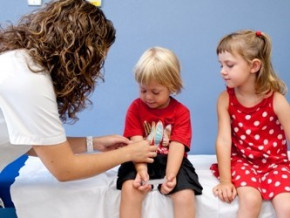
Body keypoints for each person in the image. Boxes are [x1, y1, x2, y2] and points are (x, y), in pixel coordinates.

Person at [0, 0, 157, 183]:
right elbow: (65, 170)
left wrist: (93, 143)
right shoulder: (30, 82)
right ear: (82, 53)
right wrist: (128, 153)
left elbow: (27, 143)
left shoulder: (18, 62)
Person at [210, 30, 290, 217]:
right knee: (250, 200)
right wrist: (225, 180)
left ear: (254, 66)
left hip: (276, 164)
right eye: (220, 65)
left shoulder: (277, 101)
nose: (222, 71)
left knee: (288, 206)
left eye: (229, 65)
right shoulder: (225, 100)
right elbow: (223, 140)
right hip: (242, 162)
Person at [116, 47, 203, 218]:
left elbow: (178, 146)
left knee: (185, 195)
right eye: (143, 90)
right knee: (130, 189)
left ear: (172, 87)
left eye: (155, 92)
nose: (148, 97)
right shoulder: (135, 108)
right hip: (140, 157)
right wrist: (141, 170)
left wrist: (170, 176)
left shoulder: (181, 112)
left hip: (172, 160)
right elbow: (136, 143)